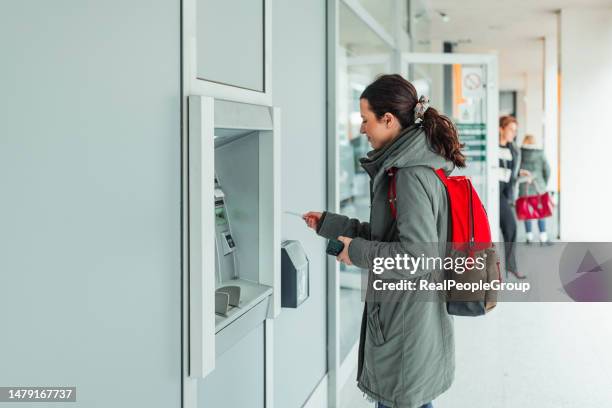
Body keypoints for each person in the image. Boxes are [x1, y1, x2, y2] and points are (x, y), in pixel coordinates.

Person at [304, 74, 463, 408]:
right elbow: (389, 236)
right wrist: (331, 225)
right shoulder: (409, 167)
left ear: (388, 120)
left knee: (403, 399)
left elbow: (418, 257)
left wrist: (356, 252)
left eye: (365, 120)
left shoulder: (408, 175)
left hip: (405, 321)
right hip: (408, 316)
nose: (362, 128)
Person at [498, 115, 529, 279]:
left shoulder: (513, 149)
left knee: (511, 228)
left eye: (515, 131)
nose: (513, 133)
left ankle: (510, 266)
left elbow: (511, 170)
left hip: (503, 195)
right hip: (490, 193)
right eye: (511, 129)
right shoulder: (492, 146)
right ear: (501, 129)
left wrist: (520, 173)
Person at [519, 134, 551, 244]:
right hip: (539, 187)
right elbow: (547, 170)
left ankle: (529, 237)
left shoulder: (519, 153)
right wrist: (544, 183)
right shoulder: (540, 153)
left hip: (524, 187)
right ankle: (543, 238)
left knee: (526, 211)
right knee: (541, 212)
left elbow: (516, 169)